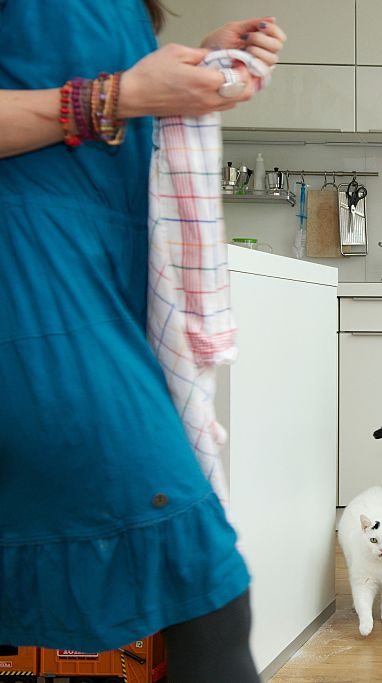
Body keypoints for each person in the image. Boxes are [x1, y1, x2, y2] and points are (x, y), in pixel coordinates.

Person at [0, 2, 285, 681]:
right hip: (30, 274)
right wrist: (119, 95)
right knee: (205, 580)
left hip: (93, 273)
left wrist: (187, 74)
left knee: (205, 586)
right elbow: (91, 105)